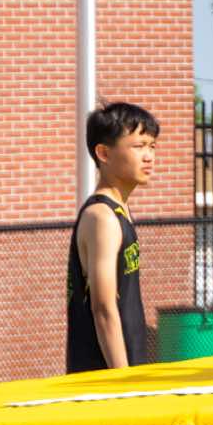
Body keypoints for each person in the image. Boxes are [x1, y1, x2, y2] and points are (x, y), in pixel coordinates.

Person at [66, 102, 158, 372]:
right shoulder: (102, 217)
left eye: (152, 146)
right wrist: (122, 381)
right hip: (105, 380)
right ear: (104, 153)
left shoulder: (120, 211)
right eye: (138, 146)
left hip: (125, 372)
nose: (149, 156)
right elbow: (103, 309)